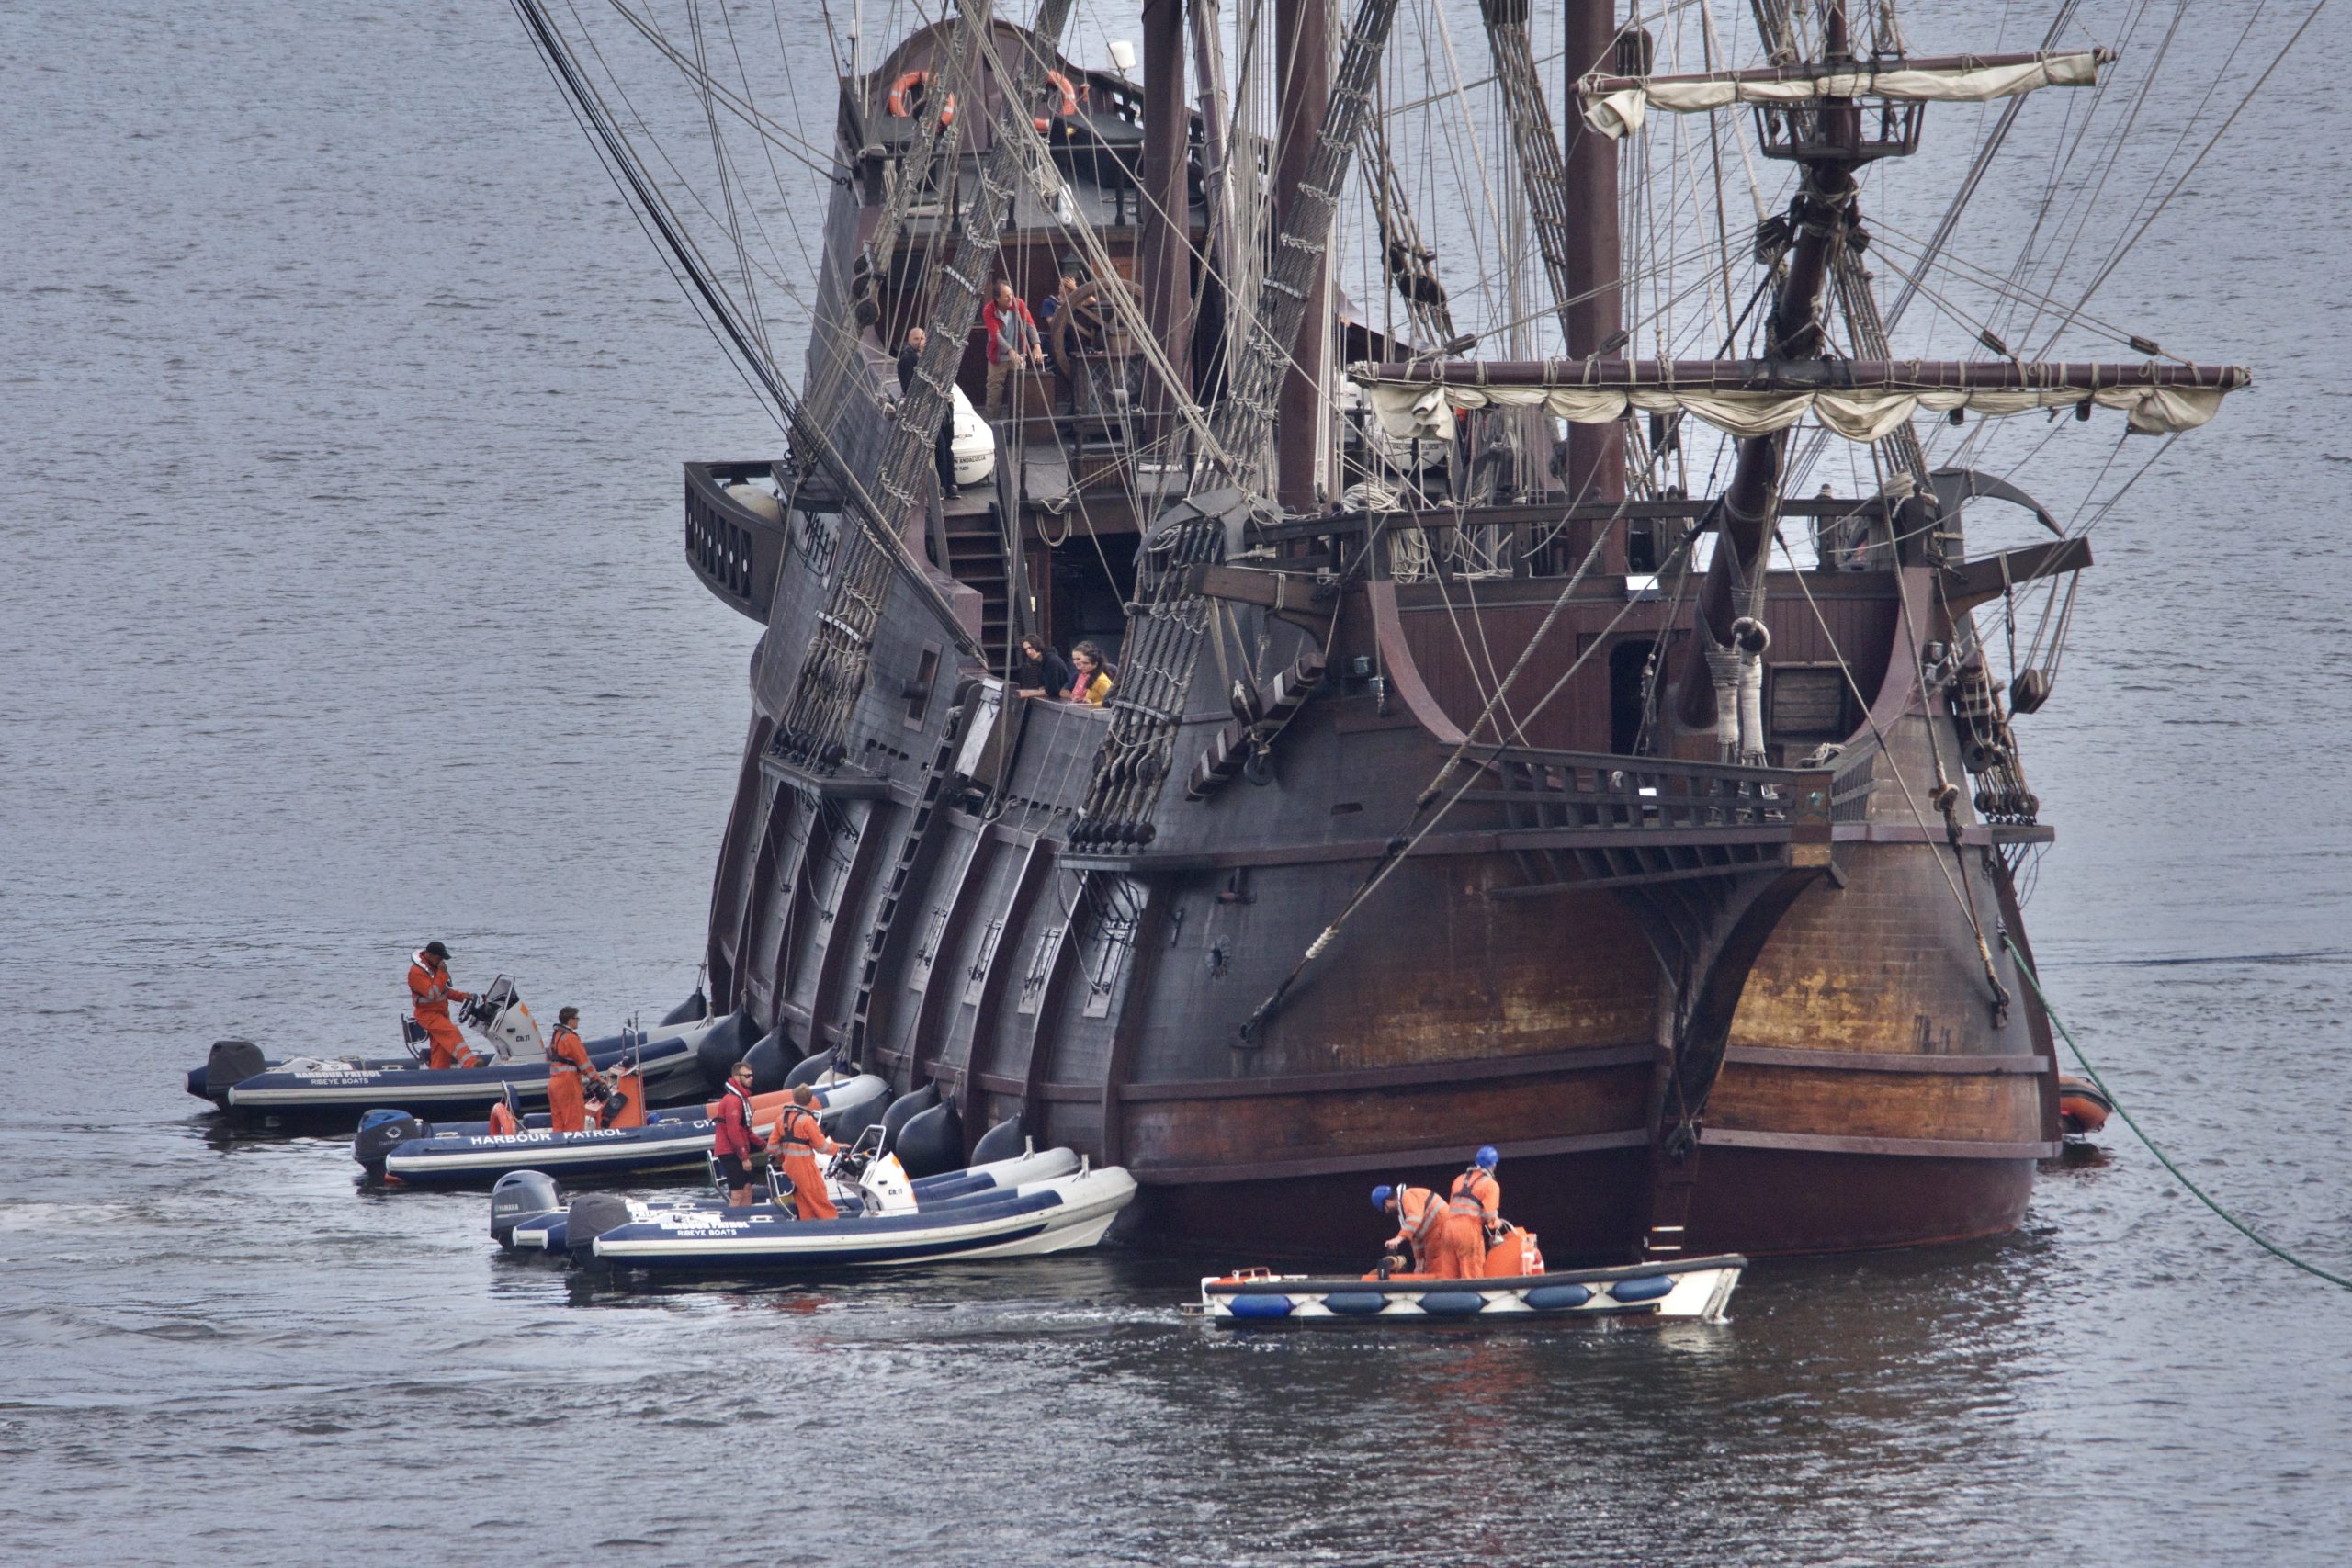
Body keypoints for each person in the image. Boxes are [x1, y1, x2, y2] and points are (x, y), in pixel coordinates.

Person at [766, 1083, 842, 1221]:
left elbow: (772, 1147)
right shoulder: (807, 1120)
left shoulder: (781, 1119)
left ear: (794, 1098)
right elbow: (821, 1147)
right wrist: (838, 1149)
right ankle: (833, 1228)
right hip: (805, 1167)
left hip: (789, 1167)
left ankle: (808, 1226)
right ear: (810, 1099)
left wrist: (784, 1157)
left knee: (803, 1201)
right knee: (819, 1198)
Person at [897, 325, 957, 491]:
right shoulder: (906, 360)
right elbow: (908, 387)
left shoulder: (933, 358)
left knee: (948, 445)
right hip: (924, 409)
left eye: (922, 338)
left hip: (942, 408)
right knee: (939, 446)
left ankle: (951, 483)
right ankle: (941, 486)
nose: (920, 342)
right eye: (916, 339)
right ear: (909, 341)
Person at [407, 942, 479, 1070]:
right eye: (439, 958)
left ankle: (438, 1075)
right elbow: (433, 994)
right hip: (428, 1016)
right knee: (452, 1032)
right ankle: (471, 1064)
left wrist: (463, 996)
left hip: (440, 1014)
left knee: (441, 1049)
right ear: (430, 955)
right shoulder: (417, 972)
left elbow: (444, 991)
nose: (441, 961)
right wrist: (441, 973)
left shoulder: (432, 970)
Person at [981, 279, 1044, 418]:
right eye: (1006, 296)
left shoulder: (1018, 304)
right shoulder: (989, 311)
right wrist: (1010, 351)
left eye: (1011, 294)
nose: (1011, 298)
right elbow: (995, 335)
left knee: (1019, 393)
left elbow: (1029, 325)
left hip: (1018, 356)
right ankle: (992, 426)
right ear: (997, 299)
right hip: (998, 358)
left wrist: (1036, 346)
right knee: (994, 393)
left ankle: (1018, 426)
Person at [543, 1006, 605, 1135]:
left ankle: (558, 1146)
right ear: (570, 1020)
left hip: (554, 1083)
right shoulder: (570, 1038)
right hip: (568, 1084)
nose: (578, 1021)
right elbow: (584, 1062)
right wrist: (597, 1080)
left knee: (558, 1121)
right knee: (574, 1121)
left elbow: (557, 1059)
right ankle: (575, 1147)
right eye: (577, 1018)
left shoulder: (556, 1036)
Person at [710, 1058, 760, 1207]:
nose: (751, 1078)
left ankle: (747, 1217)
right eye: (747, 1076)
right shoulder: (733, 1101)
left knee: (747, 1187)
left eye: (752, 1075)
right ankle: (735, 1221)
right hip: (730, 1151)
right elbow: (733, 1131)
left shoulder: (741, 1098)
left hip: (736, 1150)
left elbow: (745, 1129)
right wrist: (744, 1157)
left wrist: (764, 1145)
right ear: (737, 1077)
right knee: (737, 1191)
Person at [1374, 1183, 1449, 1276]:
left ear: (1387, 1202)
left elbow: (1414, 1219)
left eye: (1384, 1209)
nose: (1386, 1211)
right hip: (1435, 1233)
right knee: (1430, 1267)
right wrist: (1419, 1262)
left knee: (1436, 1269)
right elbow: (1415, 1237)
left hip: (1441, 1230)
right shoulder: (1404, 1209)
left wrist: (1399, 1238)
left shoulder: (1408, 1195)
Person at [1449, 1145, 1504, 1246]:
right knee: (1473, 1262)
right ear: (1494, 1164)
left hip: (1448, 1233)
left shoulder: (1459, 1179)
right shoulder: (1490, 1185)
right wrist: (1496, 1222)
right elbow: (1490, 1216)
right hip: (1469, 1234)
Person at [1014, 634, 1074, 699]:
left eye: (1030, 648)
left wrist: (1028, 693)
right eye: (1026, 649)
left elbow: (1052, 691)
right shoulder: (1041, 662)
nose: (1029, 652)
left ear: (1037, 645)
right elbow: (1042, 687)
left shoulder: (1052, 661)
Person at [1068, 640, 1113, 706]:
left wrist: (1093, 705)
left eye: (1086, 663)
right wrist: (1082, 701)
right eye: (1082, 663)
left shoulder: (1101, 681)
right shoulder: (1090, 677)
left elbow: (1111, 701)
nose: (1082, 666)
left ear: (1095, 664)